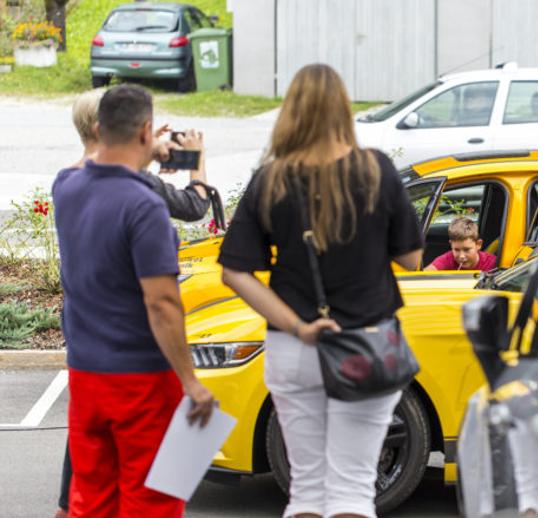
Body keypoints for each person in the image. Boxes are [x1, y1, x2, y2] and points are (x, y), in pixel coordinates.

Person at [218, 64, 423, 518]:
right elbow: (411, 258)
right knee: (353, 490)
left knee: (307, 490)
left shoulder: (271, 179)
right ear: (343, 110)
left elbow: (234, 272)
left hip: (294, 348)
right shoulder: (376, 171)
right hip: (365, 344)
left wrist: (298, 326)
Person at [52, 84, 215, 517]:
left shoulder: (66, 187)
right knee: (154, 501)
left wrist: (144, 151)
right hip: (142, 380)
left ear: (98, 130)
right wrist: (191, 382)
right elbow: (162, 305)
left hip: (86, 375)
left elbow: (93, 166)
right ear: (145, 131)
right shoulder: (145, 206)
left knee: (92, 498)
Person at [69, 88, 211, 221]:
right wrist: (197, 158)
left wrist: (141, 152)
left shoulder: (67, 179)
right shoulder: (131, 180)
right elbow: (195, 206)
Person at [424, 216, 498, 272]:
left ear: (478, 244)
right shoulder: (448, 259)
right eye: (456, 250)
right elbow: (424, 276)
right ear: (451, 245)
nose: (461, 256)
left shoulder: (491, 263)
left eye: (466, 249)